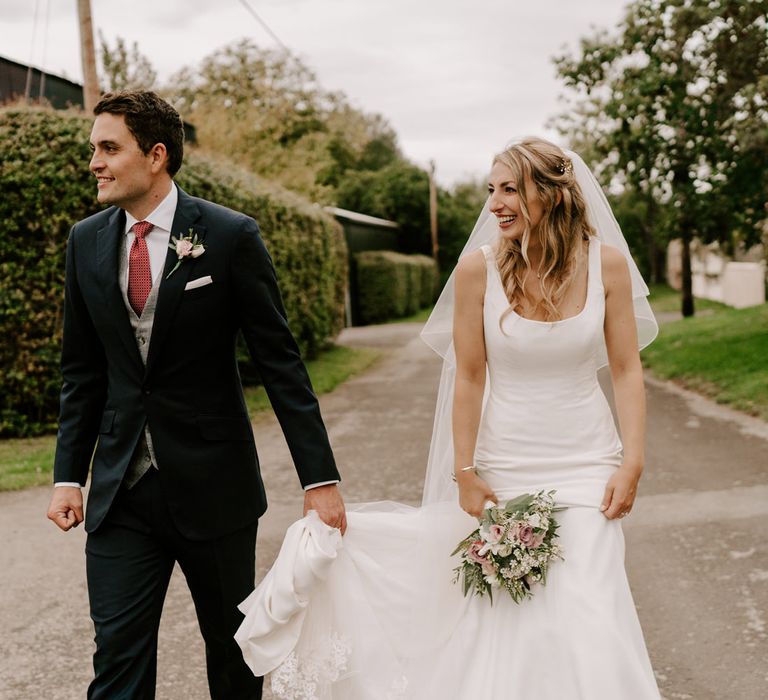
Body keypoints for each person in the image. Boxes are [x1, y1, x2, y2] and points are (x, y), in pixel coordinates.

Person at [235, 137, 661, 699]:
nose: (495, 204)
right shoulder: (476, 272)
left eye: (510, 189)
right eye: (492, 190)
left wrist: (632, 462)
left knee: (590, 606)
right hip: (505, 463)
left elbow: (628, 369)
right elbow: (469, 377)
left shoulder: (605, 263)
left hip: (587, 464)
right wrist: (464, 469)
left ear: (552, 195)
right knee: (511, 618)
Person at [45, 90, 346, 700]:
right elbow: (82, 370)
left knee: (234, 658)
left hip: (215, 488)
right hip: (120, 493)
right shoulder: (86, 241)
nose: (95, 163)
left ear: (156, 156)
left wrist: (320, 480)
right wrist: (66, 475)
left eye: (109, 148)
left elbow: (280, 365)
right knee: (117, 664)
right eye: (93, 149)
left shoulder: (230, 235)